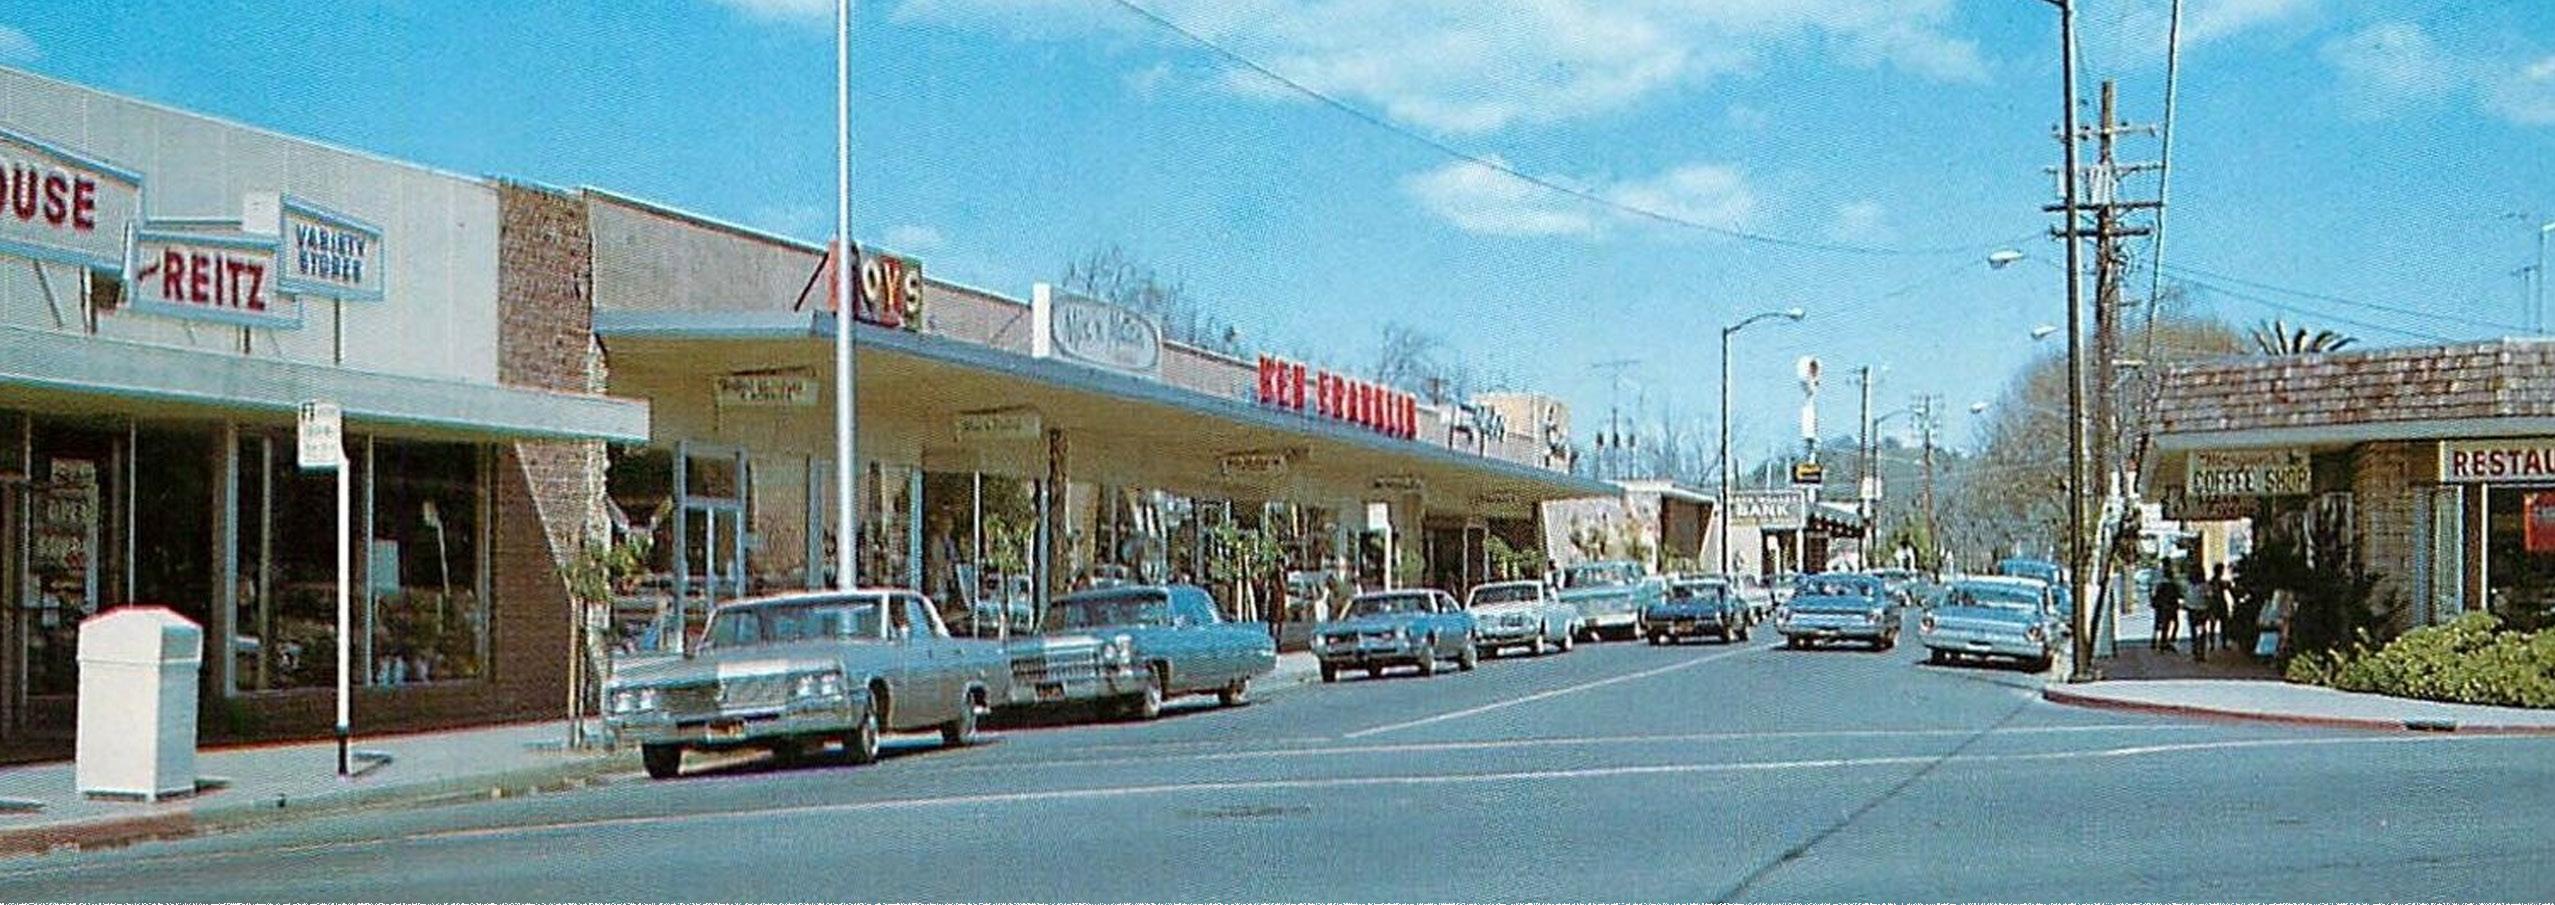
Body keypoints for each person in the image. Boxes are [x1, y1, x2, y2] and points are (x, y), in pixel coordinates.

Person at [2150, 567, 2184, 652]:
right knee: (2175, 624)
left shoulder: (2160, 585)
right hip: (2172, 607)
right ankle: (2170, 640)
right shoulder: (2173, 585)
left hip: (2162, 607)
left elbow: (2156, 596)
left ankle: (2161, 642)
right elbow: (2179, 595)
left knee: (2164, 625)